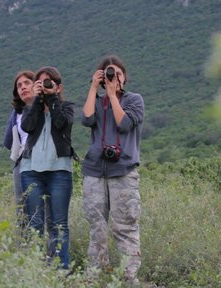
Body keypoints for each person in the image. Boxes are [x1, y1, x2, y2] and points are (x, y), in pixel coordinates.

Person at [81, 54, 144, 285]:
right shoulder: (97, 102)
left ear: (125, 77)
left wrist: (111, 94)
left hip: (123, 171)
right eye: (108, 74)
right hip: (95, 171)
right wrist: (93, 89)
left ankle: (128, 278)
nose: (113, 78)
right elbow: (86, 119)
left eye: (117, 73)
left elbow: (124, 123)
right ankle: (96, 275)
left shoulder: (135, 100)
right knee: (96, 227)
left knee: (125, 226)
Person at [19, 66, 75, 269]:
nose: (45, 85)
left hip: (59, 170)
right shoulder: (30, 109)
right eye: (41, 82)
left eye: (49, 82)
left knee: (58, 224)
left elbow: (62, 123)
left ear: (59, 86)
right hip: (31, 170)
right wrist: (36, 100)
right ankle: (35, 270)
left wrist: (52, 100)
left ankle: (60, 270)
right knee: (34, 223)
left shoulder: (67, 107)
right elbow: (27, 126)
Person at [3, 70, 35, 234]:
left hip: (41, 162)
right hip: (21, 163)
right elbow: (8, 141)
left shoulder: (42, 107)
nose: (23, 87)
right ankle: (24, 248)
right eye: (19, 85)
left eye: (27, 83)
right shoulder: (16, 113)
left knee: (39, 206)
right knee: (21, 208)